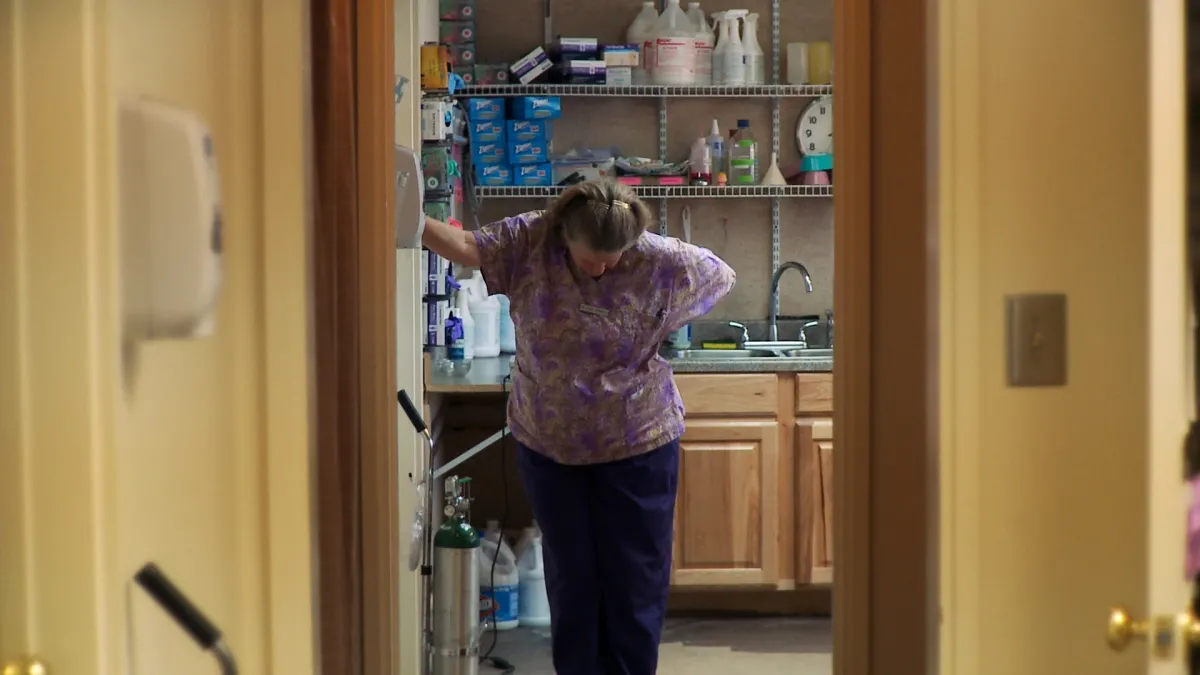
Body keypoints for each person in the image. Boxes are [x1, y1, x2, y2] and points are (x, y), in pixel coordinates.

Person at [422, 179, 735, 675]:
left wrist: (662, 319)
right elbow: (464, 245)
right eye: (592, 259)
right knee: (572, 581)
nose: (602, 269)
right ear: (564, 234)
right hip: (550, 446)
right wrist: (404, 215)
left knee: (635, 580)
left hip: (638, 443)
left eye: (614, 259)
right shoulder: (530, 239)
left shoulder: (658, 257)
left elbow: (720, 276)